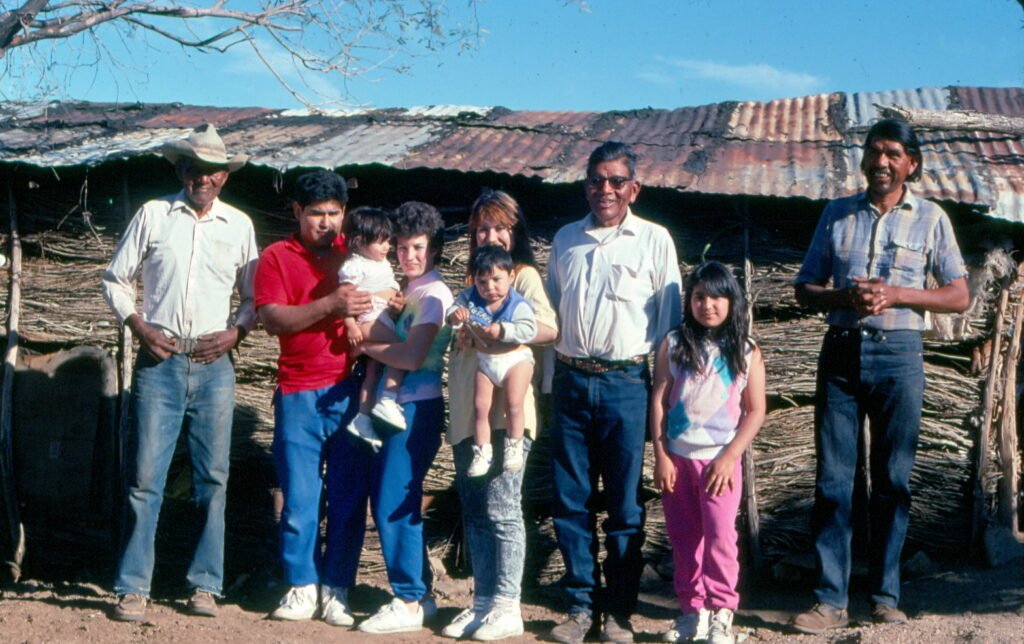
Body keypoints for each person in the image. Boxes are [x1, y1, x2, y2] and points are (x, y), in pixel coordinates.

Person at [791, 118, 969, 634]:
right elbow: (805, 288)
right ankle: (829, 601)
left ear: (911, 163)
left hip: (901, 356)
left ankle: (885, 596)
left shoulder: (931, 219)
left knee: (893, 480)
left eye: (893, 153)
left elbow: (958, 294)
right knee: (833, 481)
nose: (882, 162)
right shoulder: (837, 214)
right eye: (874, 152)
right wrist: (844, 297)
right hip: (842, 352)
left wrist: (896, 294)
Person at [102, 123, 258, 621]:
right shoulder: (153, 216)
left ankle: (204, 585)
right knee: (145, 478)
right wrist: (139, 326)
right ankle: (132, 587)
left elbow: (255, 298)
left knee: (213, 478)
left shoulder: (240, 227)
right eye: (193, 168)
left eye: (212, 171)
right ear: (181, 170)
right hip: (160, 361)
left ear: (224, 177)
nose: (202, 178)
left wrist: (236, 332)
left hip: (214, 366)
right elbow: (115, 281)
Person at [546, 141, 682, 644]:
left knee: (625, 504)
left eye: (616, 181)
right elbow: (552, 315)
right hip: (571, 381)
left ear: (634, 188)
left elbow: (669, 329)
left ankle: (619, 612)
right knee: (570, 499)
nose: (605, 190)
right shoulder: (565, 239)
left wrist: (663, 397)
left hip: (628, 383)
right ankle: (580, 607)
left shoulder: (654, 240)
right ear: (586, 185)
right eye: (596, 180)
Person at [253, 170, 374, 625]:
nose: (326, 223)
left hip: (350, 389)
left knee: (347, 497)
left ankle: (336, 588)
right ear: (296, 212)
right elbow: (273, 319)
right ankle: (301, 586)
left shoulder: (354, 255)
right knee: (301, 498)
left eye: (334, 214)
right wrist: (330, 306)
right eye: (316, 214)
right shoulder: (276, 257)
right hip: (298, 392)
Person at [331, 201, 453, 635]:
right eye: (401, 247)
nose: (408, 256)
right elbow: (376, 332)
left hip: (416, 408)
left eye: (417, 247)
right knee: (397, 500)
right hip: (395, 408)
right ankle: (421, 595)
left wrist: (365, 349)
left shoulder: (434, 296)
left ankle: (406, 599)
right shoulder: (409, 292)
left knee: (392, 503)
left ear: (433, 248)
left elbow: (412, 354)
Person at [442, 189, 557, 641]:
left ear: (515, 232)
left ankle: (509, 606)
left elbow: (548, 328)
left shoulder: (520, 277)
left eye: (500, 227)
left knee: (503, 508)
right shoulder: (472, 285)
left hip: (508, 414)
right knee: (474, 510)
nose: (491, 235)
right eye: (482, 229)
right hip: (471, 408)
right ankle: (483, 603)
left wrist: (504, 332)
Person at [650, 262, 766, 644]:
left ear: (732, 301)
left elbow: (756, 410)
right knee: (684, 538)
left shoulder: (746, 351)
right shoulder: (675, 343)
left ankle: (721, 613)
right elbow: (659, 399)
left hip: (720, 463)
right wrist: (662, 455)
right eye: (699, 296)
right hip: (679, 460)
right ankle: (691, 612)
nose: (708, 305)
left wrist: (729, 456)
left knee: (720, 538)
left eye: (717, 296)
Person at [446, 243, 537, 477]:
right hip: (486, 360)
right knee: (480, 407)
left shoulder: (517, 304)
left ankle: (513, 445)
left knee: (513, 403)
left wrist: (504, 331)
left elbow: (529, 330)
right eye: (482, 281)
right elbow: (452, 313)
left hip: (515, 359)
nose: (490, 287)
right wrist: (455, 316)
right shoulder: (469, 297)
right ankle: (482, 451)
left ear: (511, 276)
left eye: (497, 279)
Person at [338, 207, 405, 451]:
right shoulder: (355, 266)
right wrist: (351, 326)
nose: (386, 246)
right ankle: (387, 399)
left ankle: (363, 418)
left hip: (382, 318)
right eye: (380, 241)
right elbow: (344, 300)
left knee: (373, 371)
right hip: (369, 321)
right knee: (402, 350)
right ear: (359, 241)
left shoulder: (382, 263)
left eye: (388, 240)